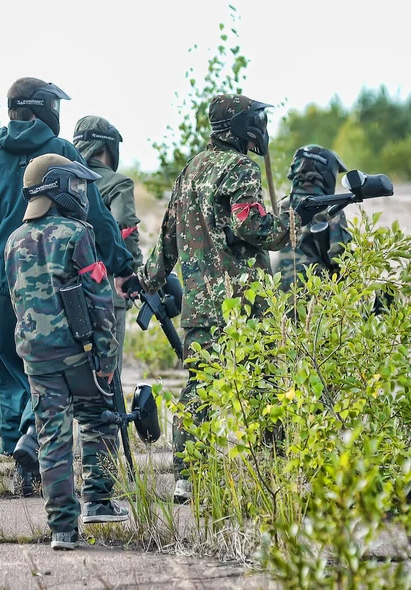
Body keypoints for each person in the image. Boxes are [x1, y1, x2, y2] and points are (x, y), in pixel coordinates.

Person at [122, 94, 318, 502]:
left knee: (199, 387)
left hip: (199, 308)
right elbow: (253, 227)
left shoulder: (191, 170)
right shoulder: (241, 167)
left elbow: (167, 244)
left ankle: (185, 478)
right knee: (264, 384)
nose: (262, 129)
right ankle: (275, 469)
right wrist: (295, 219)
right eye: (257, 121)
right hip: (243, 305)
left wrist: (145, 280)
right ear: (241, 126)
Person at [0, 77, 133, 494]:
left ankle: (21, 457)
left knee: (13, 368)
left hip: (3, 279)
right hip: (57, 280)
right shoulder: (62, 153)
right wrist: (121, 263)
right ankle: (34, 440)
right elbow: (96, 215)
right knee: (56, 366)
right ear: (42, 109)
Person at [5, 153, 129, 550]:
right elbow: (100, 300)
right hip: (78, 353)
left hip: (36, 357)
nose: (80, 192)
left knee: (51, 435)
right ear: (56, 187)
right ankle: (99, 502)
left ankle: (62, 528)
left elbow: (15, 301)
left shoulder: (13, 240)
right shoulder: (77, 234)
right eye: (75, 185)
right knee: (99, 416)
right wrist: (107, 360)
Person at [73, 116, 142, 373]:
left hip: (66, 291)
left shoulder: (62, 178)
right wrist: (134, 271)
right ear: (109, 148)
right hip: (108, 289)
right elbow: (125, 228)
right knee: (107, 374)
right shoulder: (118, 183)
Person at [276, 145, 351, 291]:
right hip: (314, 295)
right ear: (326, 174)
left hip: (278, 296)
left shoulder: (281, 205)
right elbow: (340, 258)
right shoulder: (331, 209)